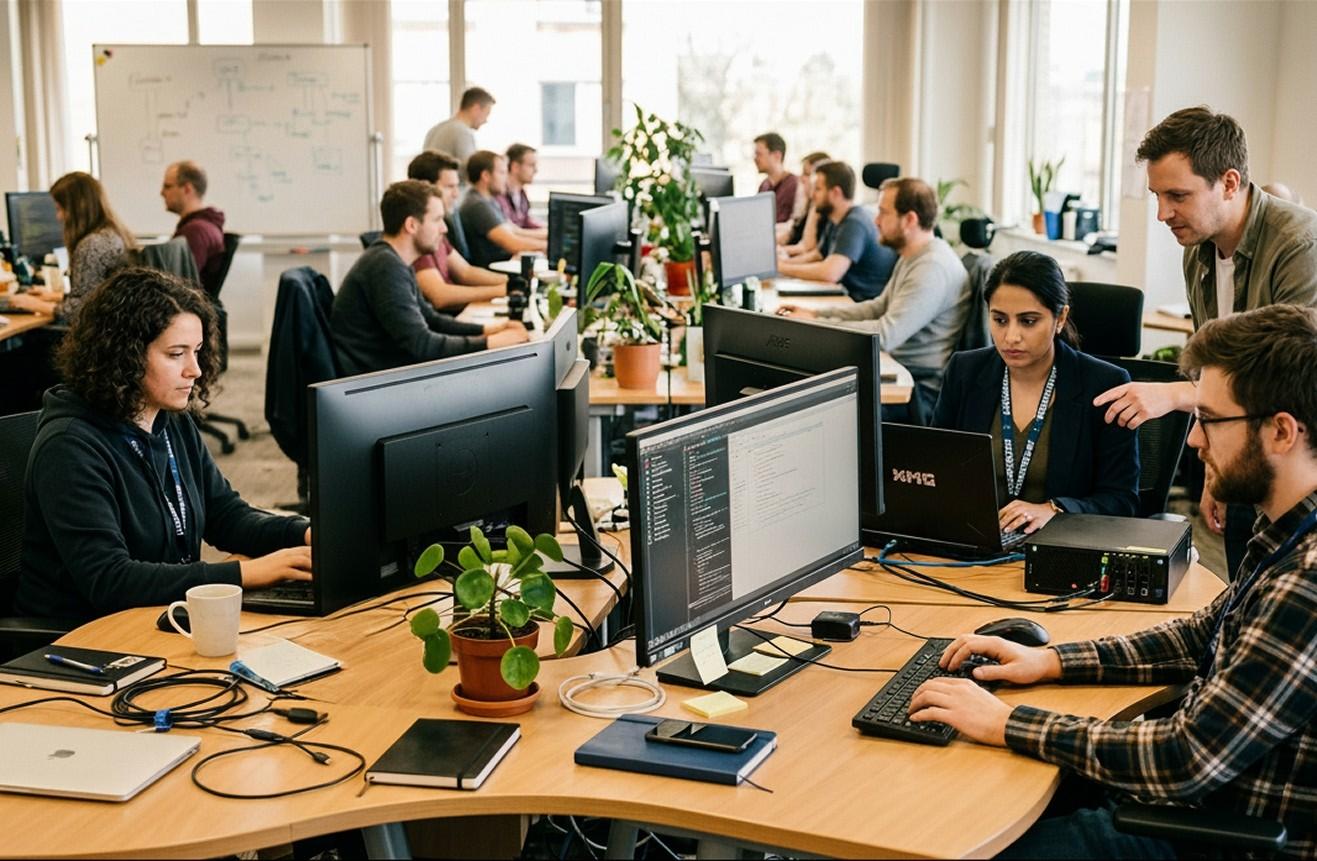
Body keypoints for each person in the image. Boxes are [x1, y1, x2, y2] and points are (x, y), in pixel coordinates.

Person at [910, 303, 1317, 860]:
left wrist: (1008, 722)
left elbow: (1185, 759)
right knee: (961, 793)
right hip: (1191, 803)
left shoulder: (1306, 584)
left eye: (1209, 419)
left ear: (1281, 432)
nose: (1194, 441)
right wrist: (1048, 661)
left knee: (956, 844)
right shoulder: (1291, 527)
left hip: (1213, 837)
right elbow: (1201, 634)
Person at [1093, 106, 1317, 580]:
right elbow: (1212, 363)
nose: (1162, 213)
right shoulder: (1198, 252)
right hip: (1244, 452)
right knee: (1238, 602)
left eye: (1178, 195)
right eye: (1157, 195)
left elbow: (1291, 377)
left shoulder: (1300, 243)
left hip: (1295, 473)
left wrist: (1174, 394)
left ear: (1230, 183)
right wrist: (1217, 468)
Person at [15, 267, 312, 622]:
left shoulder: (170, 420)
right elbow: (110, 580)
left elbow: (226, 516)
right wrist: (246, 575)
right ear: (124, 355)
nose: (195, 370)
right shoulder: (69, 446)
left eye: (197, 351)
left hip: (160, 614)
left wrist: (303, 533)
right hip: (81, 639)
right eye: (176, 354)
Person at [931, 251, 1139, 531]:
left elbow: (1121, 500)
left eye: (1028, 321)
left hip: (1059, 548)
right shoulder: (965, 372)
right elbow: (936, 469)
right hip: (974, 542)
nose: (1011, 337)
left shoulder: (1103, 385)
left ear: (1060, 318)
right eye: (1000, 320)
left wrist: (1055, 509)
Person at [779, 177, 965, 417]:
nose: (875, 221)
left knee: (813, 404)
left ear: (909, 220)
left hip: (914, 390)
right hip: (895, 367)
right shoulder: (914, 255)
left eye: (883, 213)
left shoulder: (932, 267)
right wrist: (817, 314)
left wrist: (816, 326)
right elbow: (878, 307)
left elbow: (885, 335)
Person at [332, 180, 527, 377]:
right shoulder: (385, 267)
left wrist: (488, 330)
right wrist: (491, 343)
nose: (444, 228)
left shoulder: (394, 260)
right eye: (437, 220)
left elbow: (431, 319)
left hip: (393, 376)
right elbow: (423, 345)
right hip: (380, 385)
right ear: (411, 225)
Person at [6, 172, 136, 322]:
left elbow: (81, 311)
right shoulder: (112, 234)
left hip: (100, 334)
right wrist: (55, 297)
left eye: (60, 209)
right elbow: (95, 295)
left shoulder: (92, 245)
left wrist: (34, 304)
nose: (58, 217)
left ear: (77, 208)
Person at [777, 160, 895, 302]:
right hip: (842, 295)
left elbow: (830, 273)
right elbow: (818, 255)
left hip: (858, 302)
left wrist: (782, 268)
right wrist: (784, 263)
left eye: (818, 189)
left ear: (835, 193)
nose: (812, 195)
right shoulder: (836, 218)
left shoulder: (855, 223)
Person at [406, 150, 508, 312]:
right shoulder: (418, 233)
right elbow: (440, 296)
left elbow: (465, 272)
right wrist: (502, 290)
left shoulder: (439, 227)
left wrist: (513, 281)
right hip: (445, 321)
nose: (456, 194)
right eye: (449, 187)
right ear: (426, 187)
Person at [457, 150, 547, 269]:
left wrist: (549, 235)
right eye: (502, 173)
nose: (506, 178)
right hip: (494, 270)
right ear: (486, 176)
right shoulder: (478, 205)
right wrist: (549, 246)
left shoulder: (489, 200)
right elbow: (512, 244)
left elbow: (516, 231)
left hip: (505, 263)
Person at [160, 160, 226, 288]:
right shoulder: (204, 227)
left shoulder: (195, 232)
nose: (162, 193)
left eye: (167, 186)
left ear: (187, 189)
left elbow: (179, 287)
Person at [421, 87, 495, 175]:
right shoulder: (463, 132)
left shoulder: (436, 129)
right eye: (487, 114)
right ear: (476, 109)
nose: (486, 120)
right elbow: (471, 172)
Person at [780, 150, 830, 247]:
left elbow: (808, 247)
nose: (801, 179)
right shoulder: (809, 204)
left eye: (807, 175)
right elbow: (793, 232)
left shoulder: (820, 209)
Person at [497, 143, 547, 234]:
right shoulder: (499, 194)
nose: (536, 170)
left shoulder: (521, 193)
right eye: (531, 165)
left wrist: (548, 228)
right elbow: (511, 231)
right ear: (515, 167)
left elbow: (526, 221)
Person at [753, 132, 800, 226]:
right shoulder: (764, 186)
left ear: (777, 155)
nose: (755, 159)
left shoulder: (794, 185)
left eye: (759, 154)